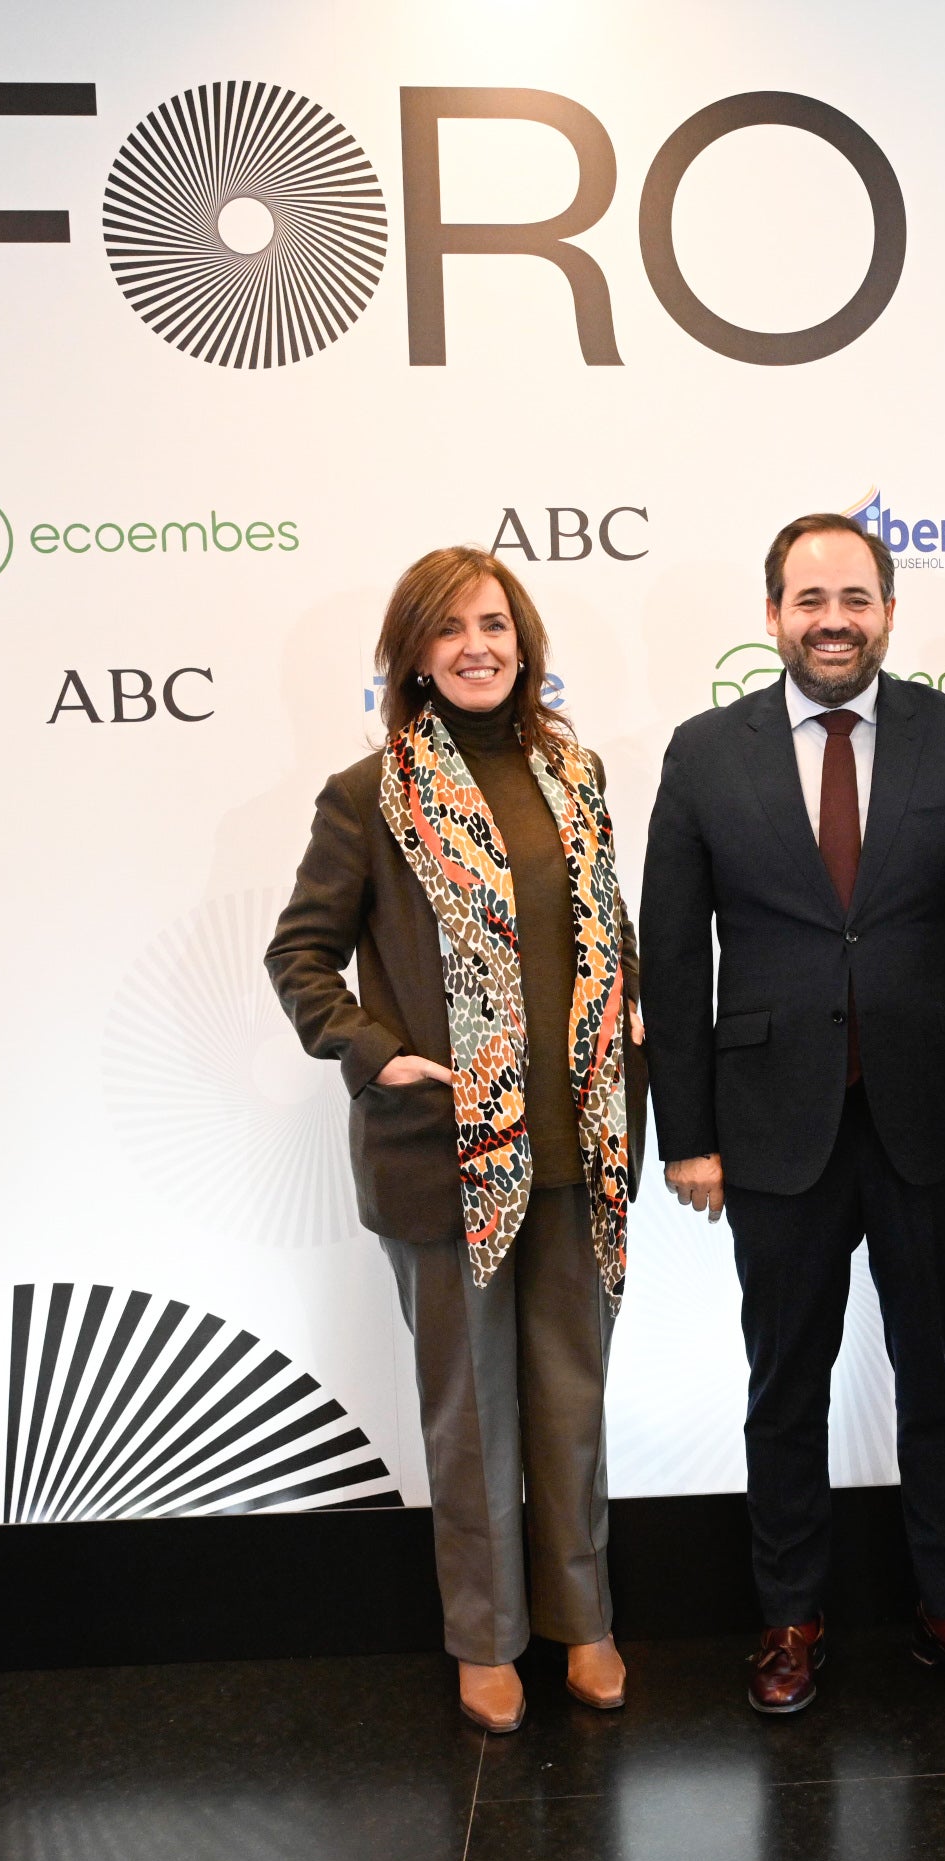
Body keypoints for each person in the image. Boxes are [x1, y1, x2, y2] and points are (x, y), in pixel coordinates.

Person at [641, 512, 945, 1714]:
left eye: (855, 596)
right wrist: (688, 1130)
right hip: (770, 1127)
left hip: (932, 1118)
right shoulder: (705, 751)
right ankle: (791, 1616)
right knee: (784, 1382)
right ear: (771, 616)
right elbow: (671, 951)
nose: (833, 618)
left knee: (943, 1377)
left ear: (889, 612)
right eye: (808, 598)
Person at [267, 546, 643, 1736]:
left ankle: (584, 1618)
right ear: (414, 653)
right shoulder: (368, 792)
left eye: (495, 622)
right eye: (450, 629)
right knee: (471, 1411)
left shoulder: (573, 774)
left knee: (570, 1403)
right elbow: (301, 954)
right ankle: (486, 1637)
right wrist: (377, 1051)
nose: (478, 645)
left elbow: (605, 937)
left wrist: (626, 1006)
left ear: (523, 639)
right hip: (446, 1157)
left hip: (578, 1144)